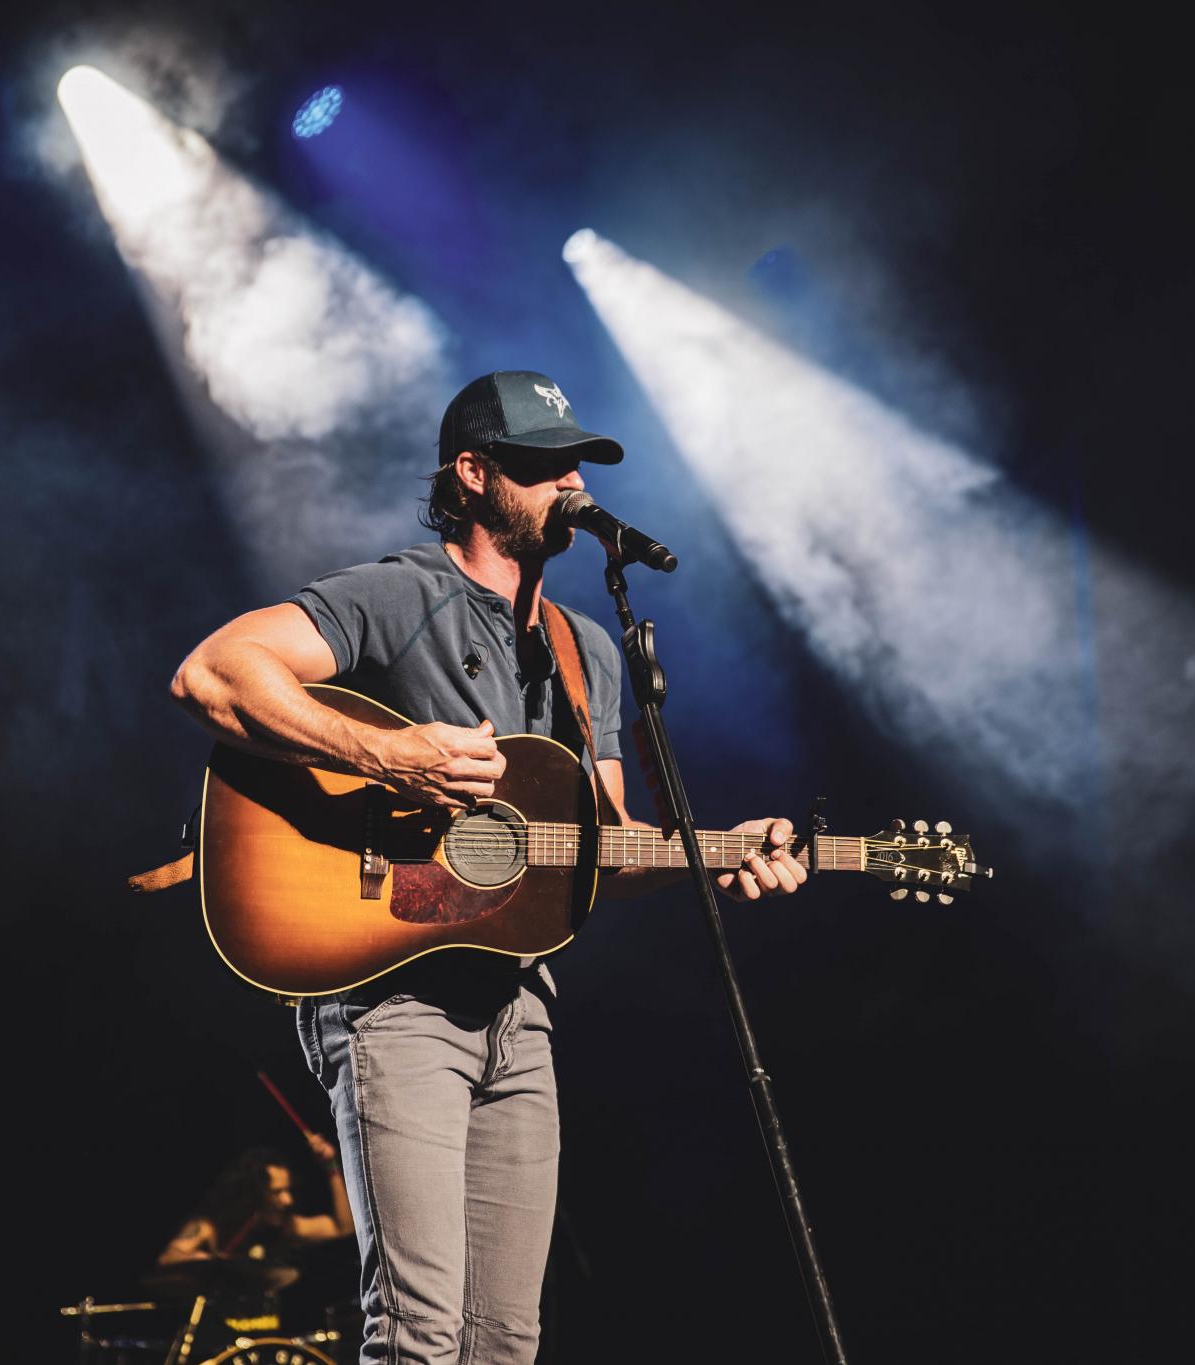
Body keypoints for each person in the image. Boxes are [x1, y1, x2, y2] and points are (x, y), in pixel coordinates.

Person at [169, 370, 808, 1364]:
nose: (569, 485)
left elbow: (600, 847)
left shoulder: (584, 645)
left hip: (521, 1008)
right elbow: (211, 672)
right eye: (541, 464)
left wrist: (716, 854)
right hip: (394, 996)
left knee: (505, 1340)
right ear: (471, 474)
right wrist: (386, 753)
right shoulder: (398, 595)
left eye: (576, 465)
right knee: (418, 1334)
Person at [154, 1130, 355, 1281]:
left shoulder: (287, 1226)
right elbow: (168, 1258)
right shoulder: (211, 1226)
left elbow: (343, 1227)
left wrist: (331, 1166)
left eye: (288, 1190)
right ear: (255, 1193)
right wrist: (206, 1261)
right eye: (277, 1192)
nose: (287, 1200)